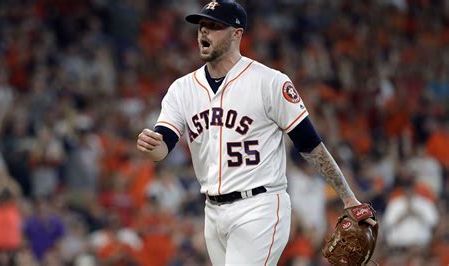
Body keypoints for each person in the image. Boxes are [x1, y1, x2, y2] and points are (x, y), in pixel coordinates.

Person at [136, 0, 371, 264]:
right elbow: (161, 148)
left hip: (260, 206)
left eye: (214, 26)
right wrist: (151, 146)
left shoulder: (269, 82)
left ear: (237, 34)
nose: (204, 32)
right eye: (202, 26)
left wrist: (348, 197)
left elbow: (309, 144)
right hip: (212, 211)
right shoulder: (182, 89)